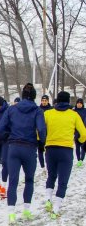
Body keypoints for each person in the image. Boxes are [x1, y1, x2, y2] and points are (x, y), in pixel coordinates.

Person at [0, 83, 46, 223]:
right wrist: (41, 143)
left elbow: (1, 127)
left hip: (14, 147)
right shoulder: (37, 111)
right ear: (34, 97)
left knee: (13, 181)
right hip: (29, 147)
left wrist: (9, 136)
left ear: (22, 95)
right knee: (29, 180)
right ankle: (26, 210)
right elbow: (42, 130)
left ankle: (11, 213)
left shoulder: (12, 109)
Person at [43, 91, 86, 219]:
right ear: (68, 101)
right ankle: (56, 209)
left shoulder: (47, 113)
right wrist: (81, 141)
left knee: (51, 176)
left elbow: (39, 130)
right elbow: (83, 132)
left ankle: (48, 199)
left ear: (56, 100)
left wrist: (43, 141)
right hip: (66, 150)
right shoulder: (74, 115)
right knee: (63, 180)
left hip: (50, 149)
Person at [38, 94, 52, 173]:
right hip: (39, 133)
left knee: (48, 151)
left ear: (48, 101)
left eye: (45, 101)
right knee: (40, 150)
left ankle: (48, 165)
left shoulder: (51, 109)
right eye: (42, 101)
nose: (44, 102)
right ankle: (42, 167)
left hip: (49, 133)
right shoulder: (38, 109)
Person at [73, 98, 86, 167]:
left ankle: (81, 160)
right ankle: (78, 160)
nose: (79, 104)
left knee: (83, 146)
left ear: (82, 104)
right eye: (78, 103)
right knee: (77, 146)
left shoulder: (85, 111)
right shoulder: (73, 111)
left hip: (84, 131)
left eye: (80, 103)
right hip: (76, 132)